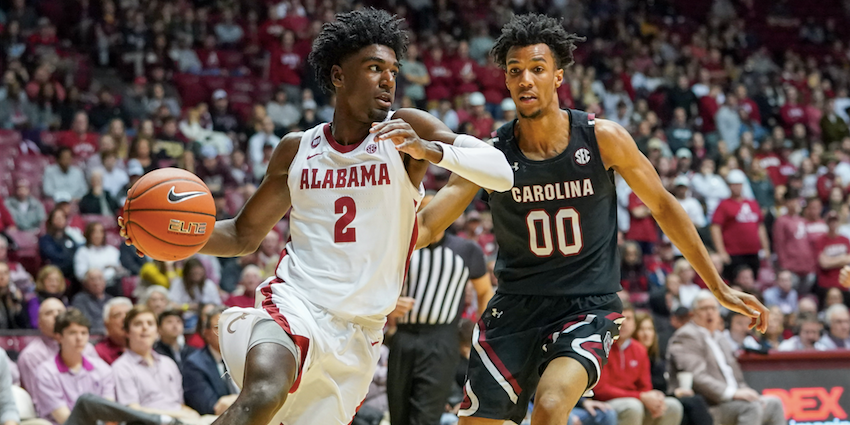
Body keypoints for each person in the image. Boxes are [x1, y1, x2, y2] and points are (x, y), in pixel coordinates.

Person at [119, 8, 512, 425]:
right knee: (263, 394)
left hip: (360, 330)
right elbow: (241, 236)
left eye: (393, 70)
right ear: (339, 76)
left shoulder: (405, 130)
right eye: (374, 68)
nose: (388, 80)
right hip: (297, 301)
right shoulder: (297, 149)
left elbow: (500, 172)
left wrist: (430, 150)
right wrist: (169, 236)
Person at [415, 13, 768, 425]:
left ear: (558, 77)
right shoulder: (492, 154)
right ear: (507, 82)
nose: (526, 79)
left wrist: (718, 286)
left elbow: (664, 206)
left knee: (549, 407)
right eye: (515, 72)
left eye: (537, 69)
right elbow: (426, 227)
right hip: (514, 308)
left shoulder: (603, 137)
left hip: (586, 306)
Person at [387, 192, 493, 425]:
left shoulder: (467, 250)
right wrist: (388, 306)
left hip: (442, 340)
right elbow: (375, 287)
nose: (427, 215)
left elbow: (485, 291)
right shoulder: (400, 246)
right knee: (398, 415)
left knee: (425, 417)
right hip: (402, 339)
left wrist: (479, 332)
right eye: (420, 208)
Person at [666, 291, 785, 425]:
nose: (710, 312)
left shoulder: (720, 337)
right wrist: (732, 393)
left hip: (733, 400)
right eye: (704, 308)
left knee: (774, 403)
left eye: (713, 308)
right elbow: (696, 377)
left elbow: (736, 376)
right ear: (693, 313)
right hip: (709, 405)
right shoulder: (686, 335)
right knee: (751, 408)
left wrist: (747, 392)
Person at [592, 304, 683, 425]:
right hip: (607, 402)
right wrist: (640, 396)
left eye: (628, 318)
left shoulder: (639, 349)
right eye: (619, 318)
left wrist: (650, 398)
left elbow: (645, 386)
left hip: (634, 400)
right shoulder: (600, 347)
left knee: (672, 406)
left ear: (634, 324)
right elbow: (601, 390)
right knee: (633, 407)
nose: (623, 323)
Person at [182, 306, 238, 416]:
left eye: (231, 326)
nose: (226, 331)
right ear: (206, 333)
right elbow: (210, 407)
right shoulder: (195, 364)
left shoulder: (246, 358)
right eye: (218, 327)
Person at [70, 268, 112, 334]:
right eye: (93, 279)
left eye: (100, 278)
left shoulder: (111, 300)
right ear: (85, 283)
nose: (97, 282)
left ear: (105, 281)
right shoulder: (79, 300)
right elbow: (84, 323)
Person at [94, 297, 132, 364]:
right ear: (106, 324)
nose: (124, 319)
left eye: (128, 314)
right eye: (117, 315)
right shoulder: (99, 353)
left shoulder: (143, 346)